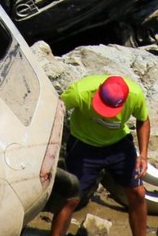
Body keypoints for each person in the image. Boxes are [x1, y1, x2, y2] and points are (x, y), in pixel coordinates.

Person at [49, 74, 150, 236]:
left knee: (138, 193)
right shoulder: (80, 91)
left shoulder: (135, 95)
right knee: (72, 198)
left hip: (118, 145)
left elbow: (143, 119)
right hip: (84, 145)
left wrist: (143, 155)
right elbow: (54, 111)